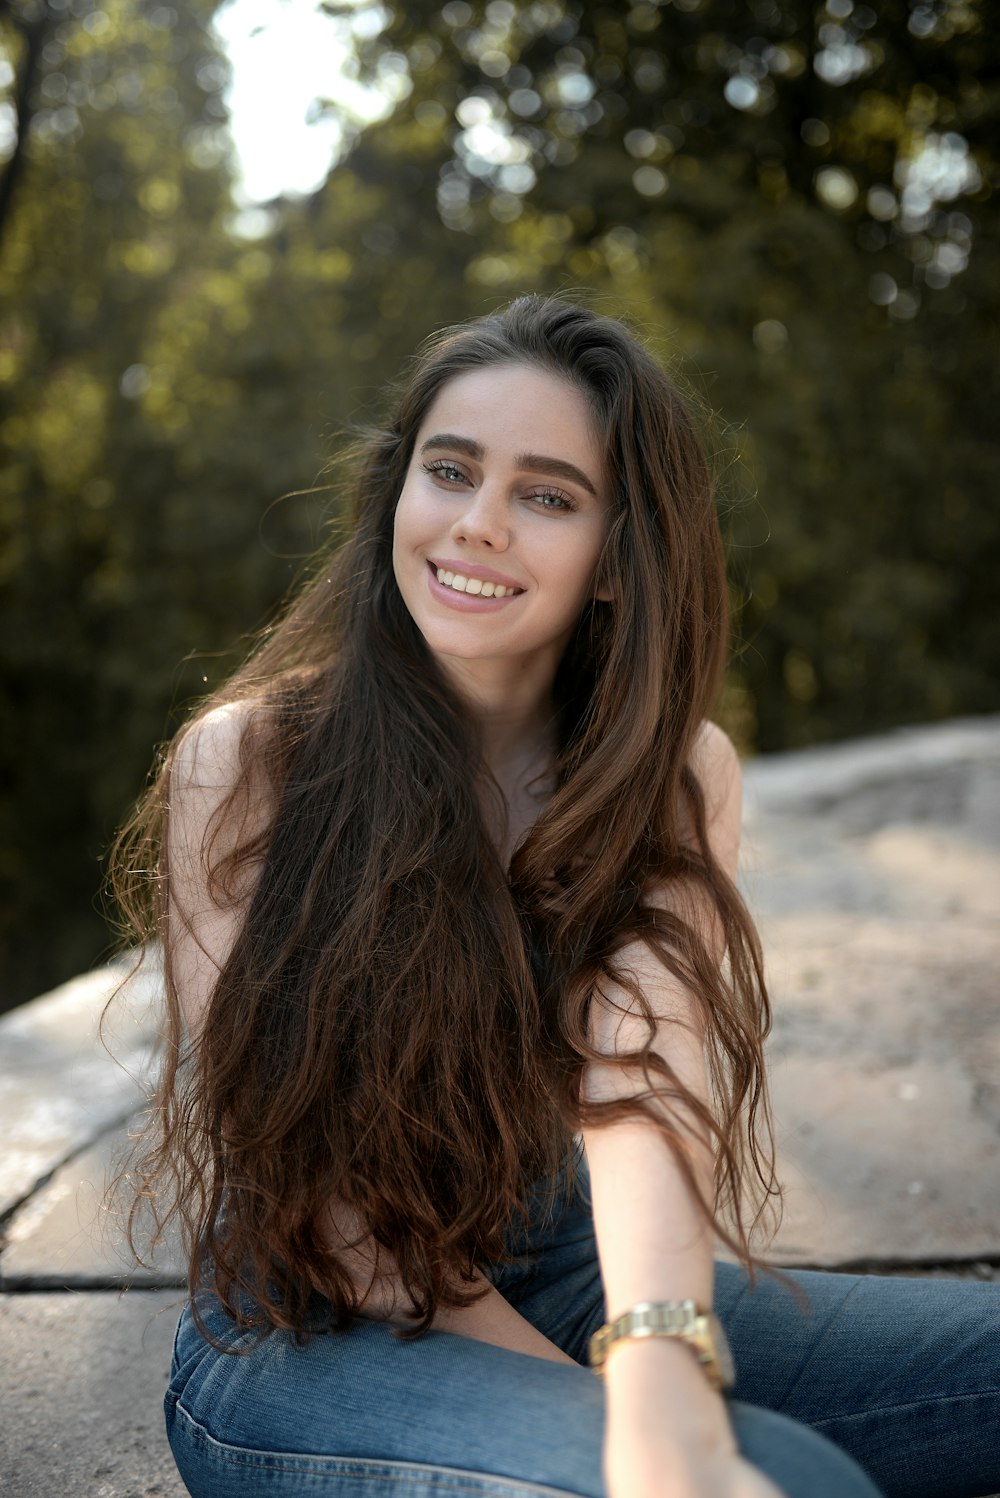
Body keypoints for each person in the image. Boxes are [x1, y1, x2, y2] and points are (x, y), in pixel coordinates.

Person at [113, 297, 999, 1498]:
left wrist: (661, 1365)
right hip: (304, 1336)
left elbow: (640, 1101)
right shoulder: (252, 760)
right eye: (450, 470)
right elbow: (322, 1214)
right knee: (786, 1479)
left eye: (545, 495)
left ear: (617, 557)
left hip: (566, 1268)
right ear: (397, 495)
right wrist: (617, 1419)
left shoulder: (674, 775)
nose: (476, 525)